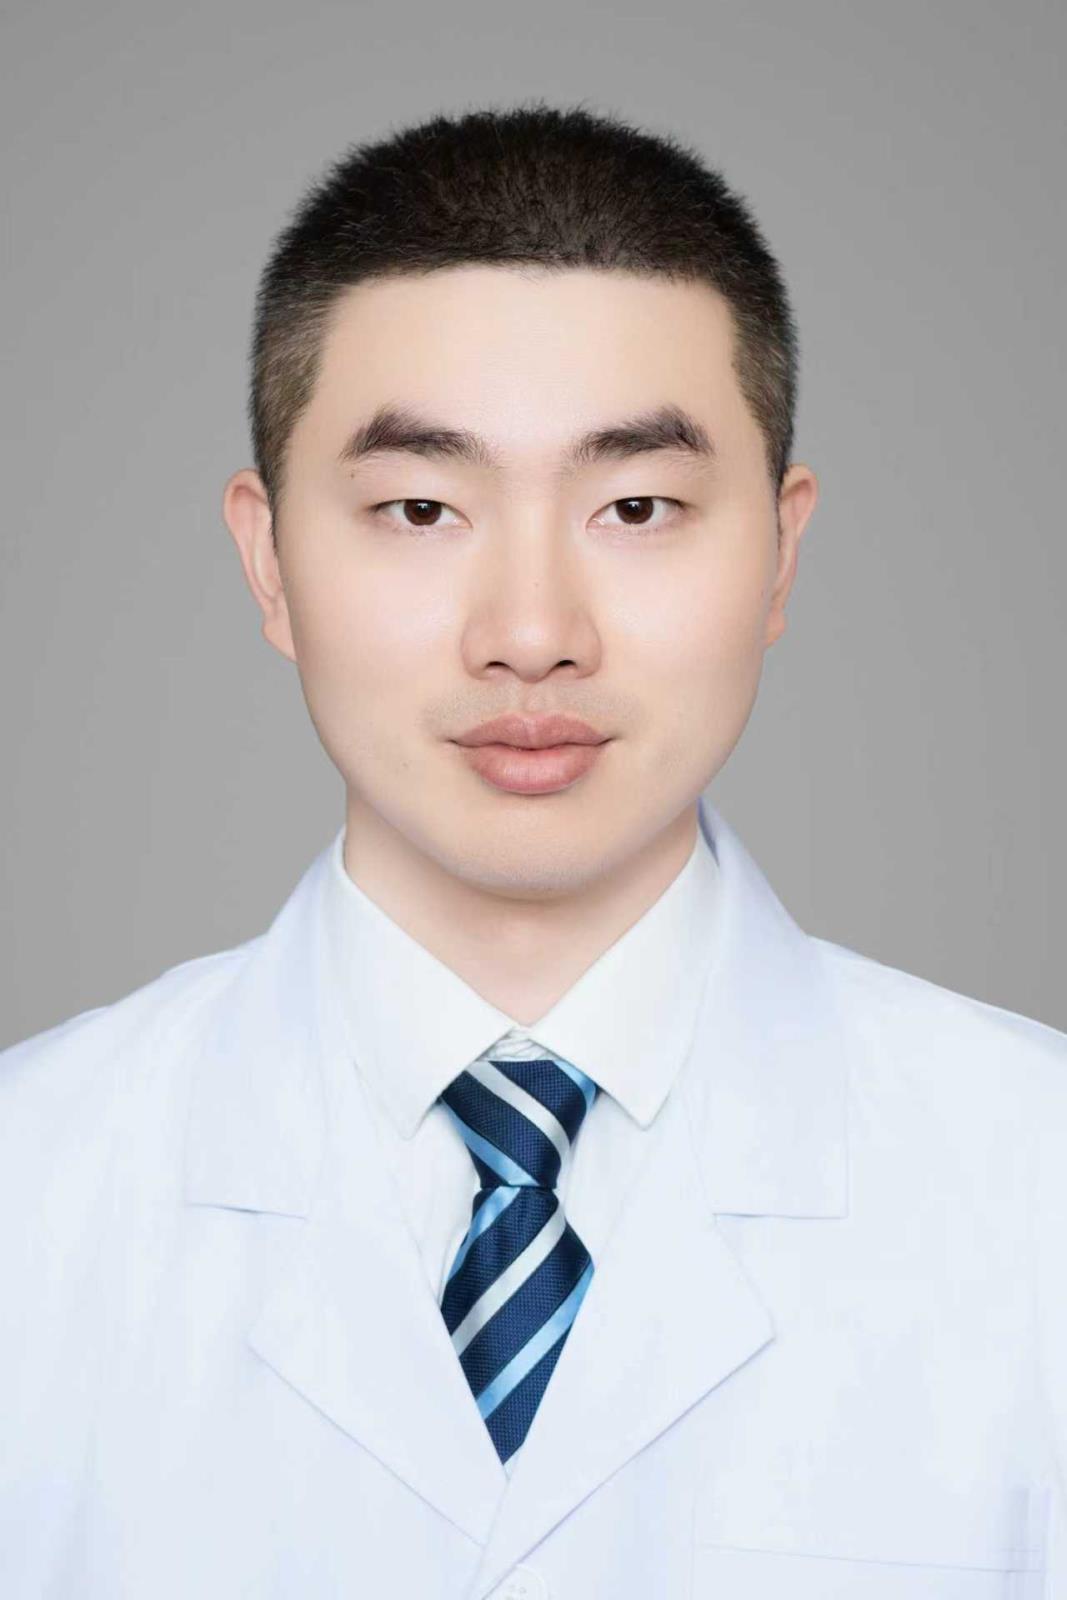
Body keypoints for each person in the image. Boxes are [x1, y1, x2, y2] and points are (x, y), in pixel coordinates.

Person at [1, 100, 1064, 1600]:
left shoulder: (1036, 1190)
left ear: (780, 550)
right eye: (419, 507)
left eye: (636, 505)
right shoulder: (31, 1192)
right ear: (267, 558)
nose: (531, 634)